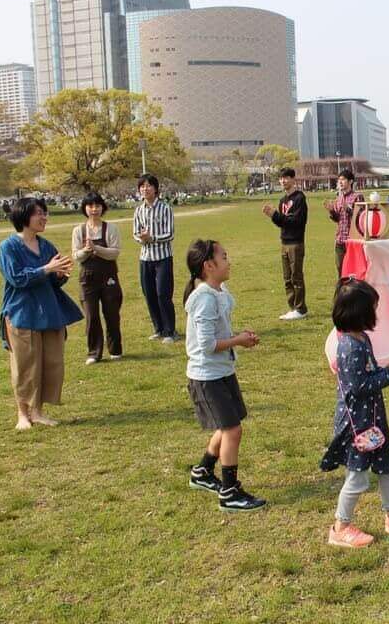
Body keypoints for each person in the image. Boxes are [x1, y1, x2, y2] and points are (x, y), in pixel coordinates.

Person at [321, 278, 389, 548]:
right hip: (359, 425)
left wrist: (388, 370)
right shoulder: (350, 347)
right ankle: (340, 527)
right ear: (360, 312)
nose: (376, 312)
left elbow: (368, 375)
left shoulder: (361, 339)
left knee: (387, 467)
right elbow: (358, 387)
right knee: (357, 477)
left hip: (374, 420)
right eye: (373, 308)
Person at [183, 239, 266, 512]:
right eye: (224, 257)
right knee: (233, 429)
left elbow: (218, 334)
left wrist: (240, 337)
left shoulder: (218, 291)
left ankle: (203, 472)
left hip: (222, 371)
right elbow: (206, 345)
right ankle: (229, 492)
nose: (229, 261)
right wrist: (237, 341)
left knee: (228, 425)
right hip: (207, 377)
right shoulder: (204, 298)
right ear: (209, 266)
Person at [0, 198, 83, 430]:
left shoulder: (46, 246)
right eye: (39, 214)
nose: (44, 217)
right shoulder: (8, 247)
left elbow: (55, 281)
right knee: (26, 364)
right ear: (24, 216)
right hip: (22, 312)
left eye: (45, 213)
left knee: (50, 363)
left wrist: (60, 275)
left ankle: (38, 412)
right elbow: (17, 278)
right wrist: (47, 269)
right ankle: (22, 414)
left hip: (49, 311)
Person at [71, 192, 123, 365]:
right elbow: (76, 256)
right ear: (85, 208)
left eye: (98, 205)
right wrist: (86, 251)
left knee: (112, 314)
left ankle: (115, 349)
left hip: (108, 277)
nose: (94, 209)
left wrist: (97, 249)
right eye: (90, 206)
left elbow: (114, 253)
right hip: (88, 278)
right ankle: (94, 352)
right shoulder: (79, 230)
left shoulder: (111, 229)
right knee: (91, 316)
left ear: (103, 207)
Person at [133, 174, 177, 343]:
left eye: (149, 185)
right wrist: (141, 239)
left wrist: (153, 238)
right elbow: (135, 233)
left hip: (163, 257)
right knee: (149, 294)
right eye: (142, 186)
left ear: (156, 189)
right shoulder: (138, 210)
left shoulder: (165, 208)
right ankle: (158, 328)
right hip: (145, 258)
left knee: (162, 294)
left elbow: (170, 233)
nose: (145, 189)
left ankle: (170, 330)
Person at [262, 167, 308, 321]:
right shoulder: (282, 201)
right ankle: (292, 307)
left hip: (296, 243)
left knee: (296, 277)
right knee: (287, 278)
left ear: (293, 179)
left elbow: (296, 221)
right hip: (284, 242)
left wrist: (277, 215)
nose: (283, 181)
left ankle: (300, 308)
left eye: (286, 178)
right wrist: (273, 216)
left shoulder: (299, 198)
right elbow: (282, 223)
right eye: (281, 178)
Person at [324, 169, 364, 277]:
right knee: (340, 269)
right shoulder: (339, 198)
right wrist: (332, 211)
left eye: (343, 180)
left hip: (352, 240)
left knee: (353, 271)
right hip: (340, 239)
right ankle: (342, 292)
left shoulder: (357, 197)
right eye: (339, 180)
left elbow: (361, 218)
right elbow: (338, 219)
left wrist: (349, 209)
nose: (340, 182)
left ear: (350, 181)